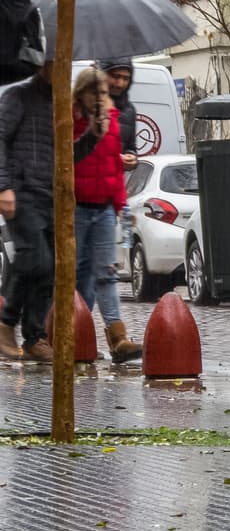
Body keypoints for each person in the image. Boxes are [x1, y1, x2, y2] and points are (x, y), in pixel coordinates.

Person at [72, 67, 143, 363]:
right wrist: (89, 130)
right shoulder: (72, 119)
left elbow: (113, 168)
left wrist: (121, 205)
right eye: (95, 93)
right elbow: (68, 157)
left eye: (104, 93)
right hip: (76, 208)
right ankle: (77, 336)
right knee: (78, 276)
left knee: (106, 274)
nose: (101, 98)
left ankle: (118, 338)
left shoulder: (113, 121)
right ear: (82, 94)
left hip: (103, 210)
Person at [0, 61, 62, 361]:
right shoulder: (17, 96)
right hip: (22, 193)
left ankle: (34, 336)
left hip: (52, 197)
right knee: (34, 258)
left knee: (49, 270)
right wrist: (4, 186)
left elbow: (69, 150)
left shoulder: (63, 102)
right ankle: (7, 321)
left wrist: (92, 133)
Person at [97, 58, 138, 172]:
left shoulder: (129, 111)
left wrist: (132, 159)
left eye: (125, 78)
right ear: (102, 75)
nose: (120, 84)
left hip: (114, 184)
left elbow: (131, 147)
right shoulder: (87, 104)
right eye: (115, 76)